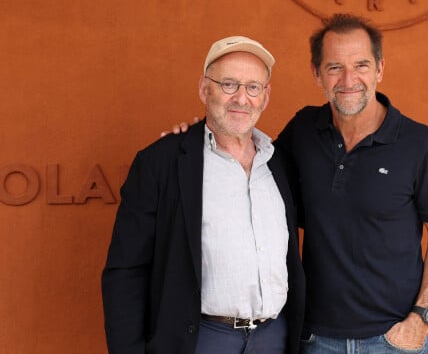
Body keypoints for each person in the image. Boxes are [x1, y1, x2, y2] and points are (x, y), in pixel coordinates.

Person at [166, 13, 428, 354]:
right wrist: (194, 141)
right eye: (334, 67)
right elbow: (248, 166)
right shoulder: (304, 130)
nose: (349, 79)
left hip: (393, 341)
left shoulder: (420, 145)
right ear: (317, 73)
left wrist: (421, 317)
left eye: (361, 65)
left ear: (379, 69)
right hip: (315, 339)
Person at [102, 36, 305, 354]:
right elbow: (126, 270)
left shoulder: (279, 163)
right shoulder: (163, 162)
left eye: (253, 87)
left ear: (265, 97)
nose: (241, 98)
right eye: (228, 84)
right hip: (201, 340)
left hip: (274, 339)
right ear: (204, 89)